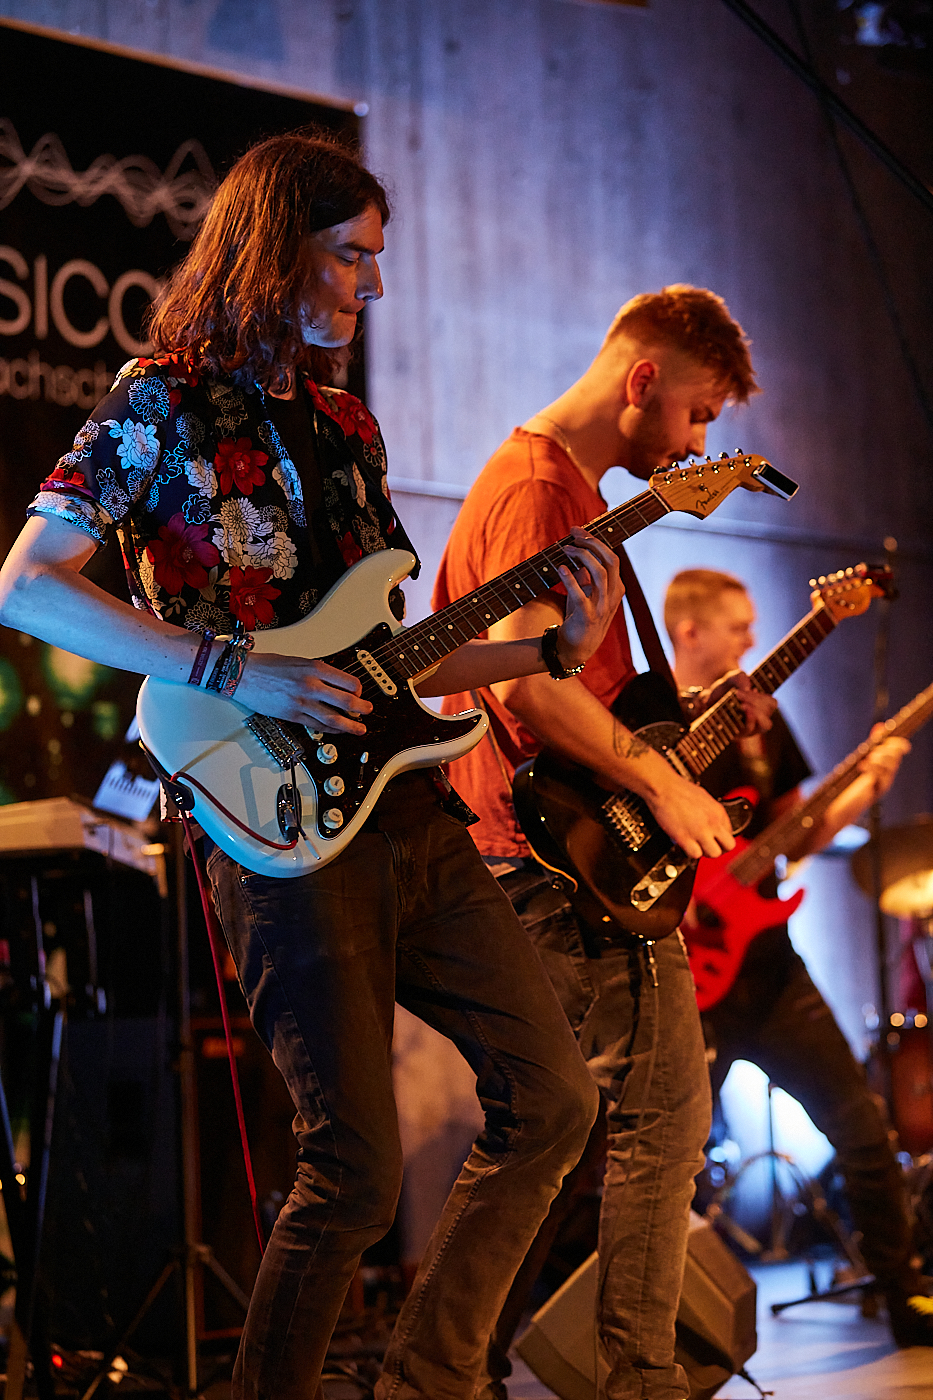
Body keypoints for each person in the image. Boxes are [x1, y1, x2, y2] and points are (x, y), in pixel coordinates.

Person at [0, 132, 634, 1400]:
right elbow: (27, 587)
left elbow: (392, 659)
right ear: (272, 247)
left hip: (406, 813)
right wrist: (234, 668)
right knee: (353, 1169)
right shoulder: (158, 400)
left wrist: (548, 648)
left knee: (557, 1098)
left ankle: (425, 1381)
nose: (373, 284)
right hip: (273, 814)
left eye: (375, 259)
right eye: (351, 256)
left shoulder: (349, 425)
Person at [433, 286, 775, 1400]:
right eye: (698, 411)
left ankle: (459, 1370)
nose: (697, 441)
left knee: (574, 1124)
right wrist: (661, 783)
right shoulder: (539, 489)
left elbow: (589, 690)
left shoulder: (571, 492)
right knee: (639, 1117)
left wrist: (690, 728)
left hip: (565, 851)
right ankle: (615, 1377)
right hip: (547, 856)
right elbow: (529, 684)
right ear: (643, 381)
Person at [665, 566, 932, 1346]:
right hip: (689, 973)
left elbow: (795, 835)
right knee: (667, 1160)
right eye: (737, 625)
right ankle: (661, 1327)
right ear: (688, 630)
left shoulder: (763, 720)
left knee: (861, 1128)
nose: (752, 638)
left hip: (771, 968)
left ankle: (905, 1293)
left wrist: (863, 788)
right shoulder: (655, 724)